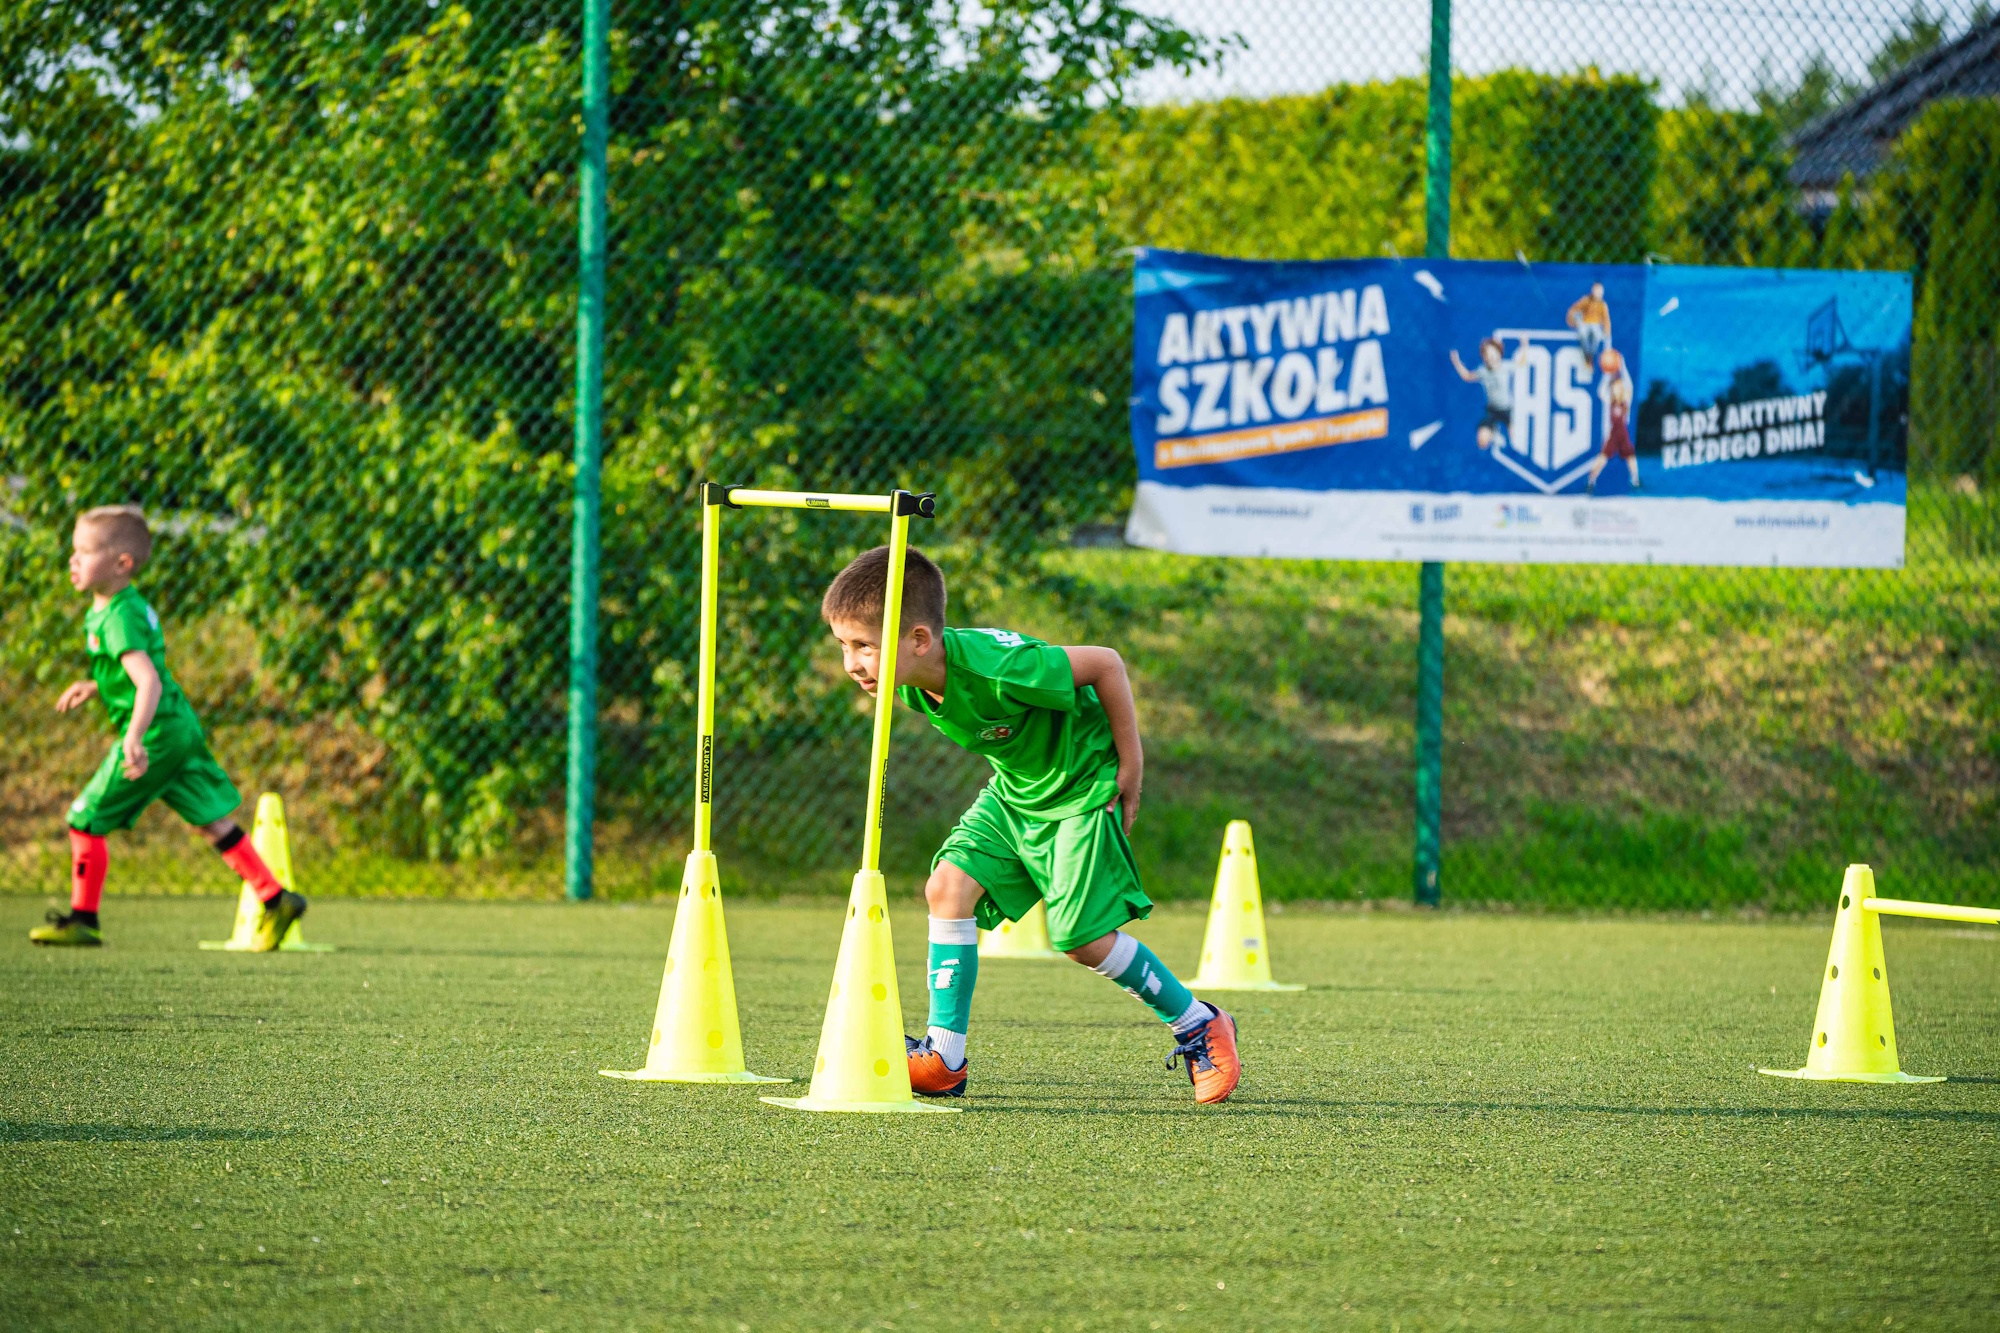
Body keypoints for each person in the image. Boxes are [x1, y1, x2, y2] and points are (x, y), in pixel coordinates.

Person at [820, 545, 1241, 1104]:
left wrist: (1131, 767)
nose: (852, 664)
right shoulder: (903, 680)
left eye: (864, 647)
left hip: (1081, 785)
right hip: (1016, 791)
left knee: (1080, 939)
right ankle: (943, 1058)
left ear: (919, 640)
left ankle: (1198, 1023)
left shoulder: (1000, 668)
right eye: (844, 646)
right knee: (947, 888)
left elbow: (1106, 663)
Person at [29, 506, 306, 949]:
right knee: (210, 821)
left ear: (122, 564)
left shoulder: (118, 615)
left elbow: (147, 680)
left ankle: (83, 919)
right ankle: (276, 899)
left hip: (156, 732)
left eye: (84, 551)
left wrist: (134, 738)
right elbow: (133, 671)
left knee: (83, 819)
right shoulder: (116, 607)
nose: (72, 560)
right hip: (176, 726)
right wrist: (95, 685)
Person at [1449, 335, 1525, 451]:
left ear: (1500, 354)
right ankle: (1494, 433)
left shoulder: (1505, 366)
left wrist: (1524, 344)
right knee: (1482, 441)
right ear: (1484, 358)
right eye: (1488, 355)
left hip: (1507, 410)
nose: (1492, 357)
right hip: (1492, 410)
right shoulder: (1482, 371)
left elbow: (1521, 363)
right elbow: (1467, 376)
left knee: (1516, 440)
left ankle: (1498, 432)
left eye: (1494, 354)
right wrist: (1457, 362)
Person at [1586, 356, 1641, 495]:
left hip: (1623, 434)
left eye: (1620, 387)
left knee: (1630, 456)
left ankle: (1635, 479)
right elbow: (1601, 391)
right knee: (1602, 458)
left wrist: (1622, 365)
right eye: (1616, 387)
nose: (1618, 389)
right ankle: (1591, 480)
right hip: (1612, 434)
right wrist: (1607, 373)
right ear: (1612, 389)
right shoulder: (1609, 399)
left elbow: (1629, 384)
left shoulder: (1626, 400)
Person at [1567, 282, 1612, 367]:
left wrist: (1607, 330)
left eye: (1600, 291)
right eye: (1596, 290)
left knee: (1597, 335)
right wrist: (1573, 320)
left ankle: (1590, 356)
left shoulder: (1603, 305)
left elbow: (1606, 319)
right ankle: (1586, 355)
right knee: (1583, 333)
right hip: (1585, 323)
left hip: (1596, 325)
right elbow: (1574, 309)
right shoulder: (1586, 300)